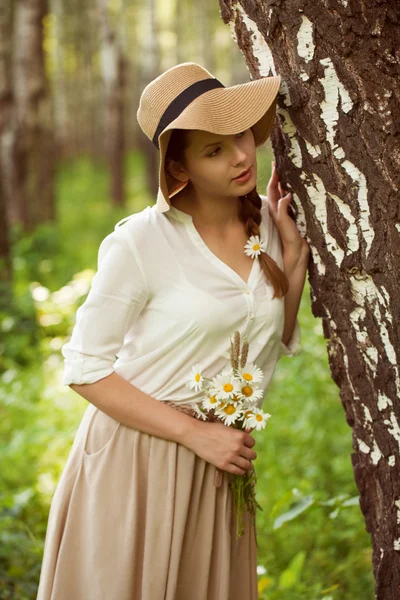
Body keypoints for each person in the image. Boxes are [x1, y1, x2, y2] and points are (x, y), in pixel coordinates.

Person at [36, 62, 309, 600]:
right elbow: (84, 368)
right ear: (178, 168)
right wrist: (194, 433)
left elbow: (264, 344)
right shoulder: (141, 243)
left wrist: (294, 261)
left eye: (239, 137)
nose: (238, 156)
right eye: (213, 150)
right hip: (137, 458)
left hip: (221, 461)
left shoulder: (266, 230)